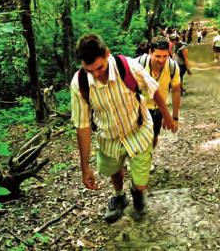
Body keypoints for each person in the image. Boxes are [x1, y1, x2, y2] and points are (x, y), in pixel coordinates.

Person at [70, 33, 176, 223]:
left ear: (107, 54)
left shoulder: (128, 67)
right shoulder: (79, 84)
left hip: (139, 131)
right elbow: (83, 126)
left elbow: (153, 90)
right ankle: (120, 197)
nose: (96, 75)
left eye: (100, 68)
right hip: (108, 137)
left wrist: (168, 116)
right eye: (89, 70)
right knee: (114, 170)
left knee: (141, 182)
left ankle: (137, 192)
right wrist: (85, 168)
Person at [137, 37, 181, 169]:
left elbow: (176, 91)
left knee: (154, 135)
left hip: (158, 108)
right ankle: (137, 158)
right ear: (150, 52)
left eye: (165, 56)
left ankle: (148, 156)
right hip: (139, 106)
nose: (161, 60)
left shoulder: (173, 67)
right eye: (157, 56)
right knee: (138, 135)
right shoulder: (139, 63)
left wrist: (174, 117)